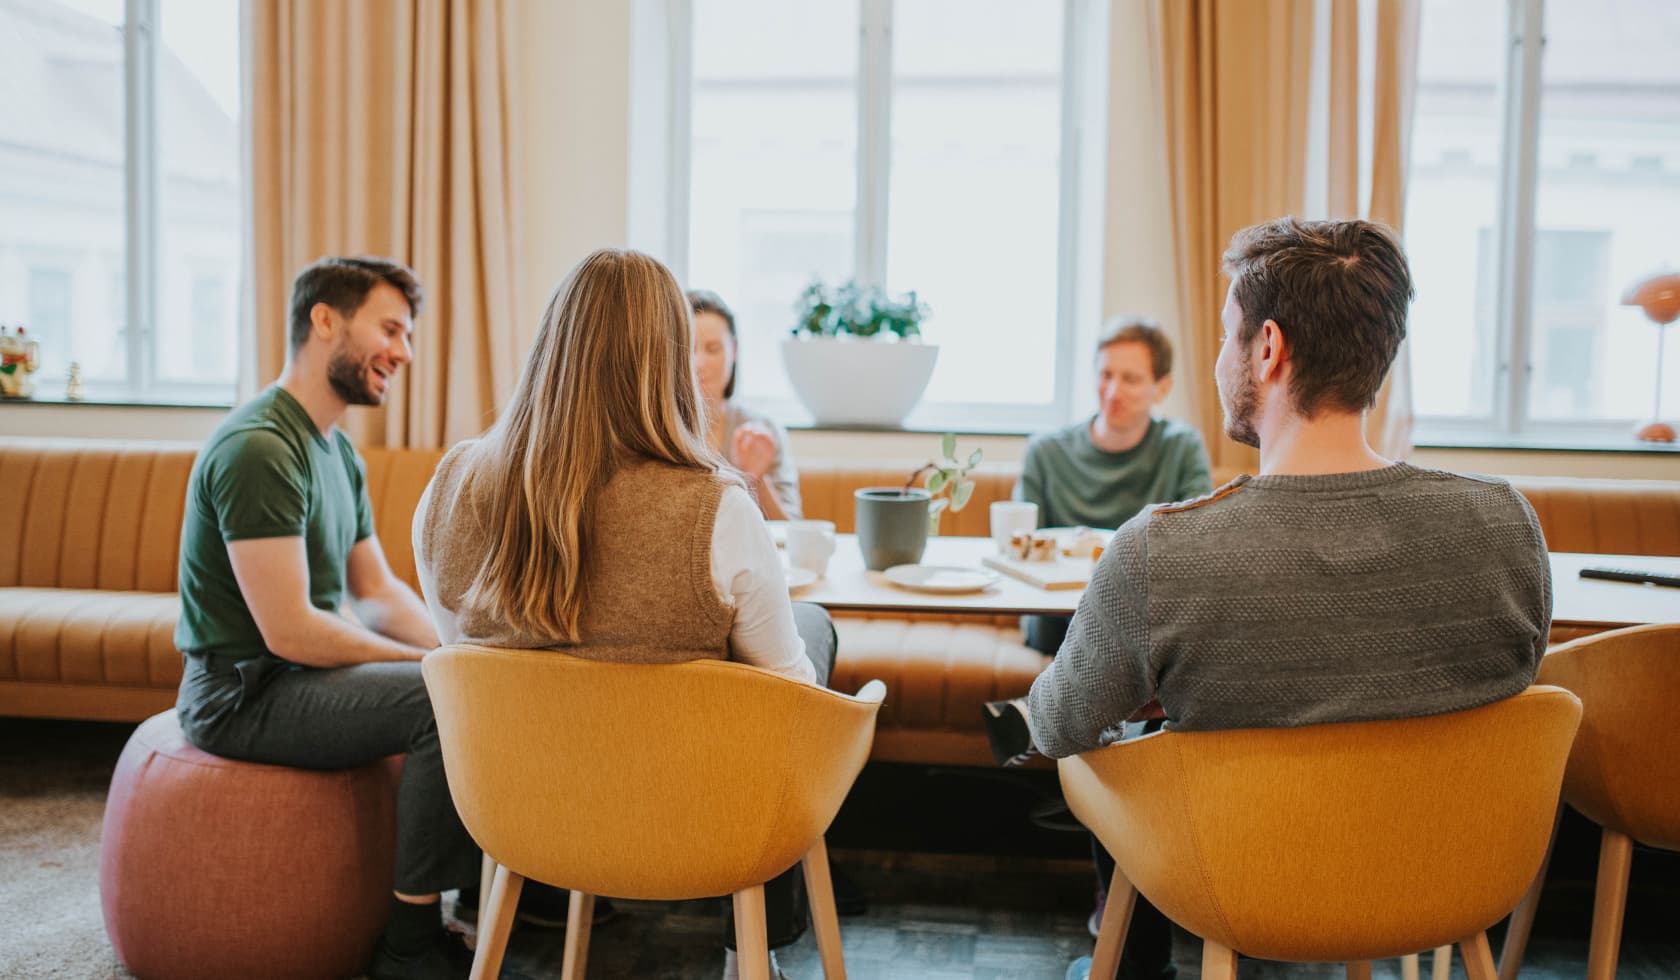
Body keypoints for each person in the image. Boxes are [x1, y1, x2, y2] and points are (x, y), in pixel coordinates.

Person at [991, 218, 1552, 980]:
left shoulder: (1162, 549)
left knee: (1099, 742)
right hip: (1449, 881)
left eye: (1228, 336)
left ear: (1268, 349)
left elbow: (1057, 724)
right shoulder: (1507, 524)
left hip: (1235, 884)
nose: (1223, 358)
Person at [413, 249, 837, 980]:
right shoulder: (716, 508)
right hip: (695, 820)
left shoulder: (449, 487)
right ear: (669, 358)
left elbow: (464, 657)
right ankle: (751, 951)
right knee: (811, 632)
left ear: (552, 346)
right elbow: (793, 703)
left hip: (523, 816)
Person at [172, 256, 481, 980]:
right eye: (391, 328)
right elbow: (292, 631)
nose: (404, 351)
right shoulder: (259, 449)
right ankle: (409, 944)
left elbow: (374, 589)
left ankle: (497, 895)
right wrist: (436, 668)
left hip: (292, 676)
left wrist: (461, 647)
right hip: (241, 693)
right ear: (324, 321)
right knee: (438, 700)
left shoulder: (337, 452)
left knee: (468, 680)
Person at [1016, 317, 1213, 656]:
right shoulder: (1047, 451)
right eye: (1106, 375)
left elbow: (1196, 544)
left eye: (1131, 379)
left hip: (1143, 611)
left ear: (1162, 387)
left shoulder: (1181, 447)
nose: (1112, 392)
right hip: (1057, 613)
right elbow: (1021, 545)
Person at [690, 288, 803, 520]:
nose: (698, 363)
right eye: (687, 349)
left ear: (734, 350)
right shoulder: (657, 431)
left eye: (712, 349)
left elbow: (789, 531)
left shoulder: (760, 431)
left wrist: (756, 479)